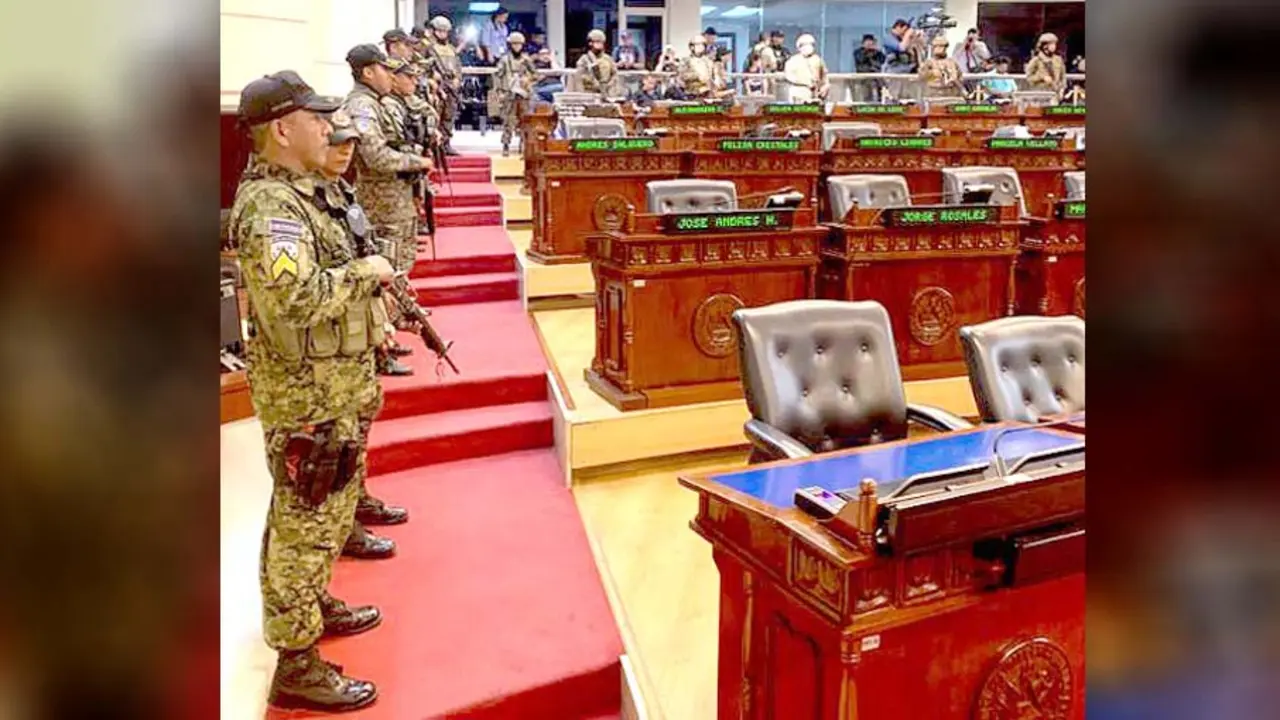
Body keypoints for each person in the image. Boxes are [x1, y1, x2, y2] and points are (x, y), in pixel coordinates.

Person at [228, 70, 391, 712]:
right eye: (316, 118)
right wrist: (364, 272)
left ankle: (312, 602)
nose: (328, 127)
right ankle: (296, 661)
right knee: (304, 519)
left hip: (332, 386)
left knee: (315, 517)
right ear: (281, 129)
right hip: (307, 396)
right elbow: (294, 300)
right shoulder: (271, 210)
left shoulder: (303, 192)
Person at [341, 45, 433, 398]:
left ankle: (387, 338)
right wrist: (415, 162)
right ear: (367, 72)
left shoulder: (377, 103)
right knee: (384, 277)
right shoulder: (362, 105)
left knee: (397, 272)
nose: (390, 76)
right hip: (381, 203)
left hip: (395, 200)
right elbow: (375, 156)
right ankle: (380, 349)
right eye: (383, 69)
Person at [422, 15, 463, 155]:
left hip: (451, 87)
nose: (442, 34)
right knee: (435, 116)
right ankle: (433, 145)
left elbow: (458, 66)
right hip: (436, 88)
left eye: (445, 31)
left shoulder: (451, 49)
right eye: (439, 31)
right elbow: (422, 67)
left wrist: (458, 79)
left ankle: (446, 143)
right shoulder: (429, 49)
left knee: (449, 116)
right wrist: (432, 76)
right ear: (433, 31)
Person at [495, 31, 537, 156]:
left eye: (519, 44)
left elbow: (535, 74)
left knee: (525, 120)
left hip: (523, 93)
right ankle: (506, 145)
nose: (517, 47)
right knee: (508, 120)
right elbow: (497, 76)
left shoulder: (526, 59)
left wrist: (528, 79)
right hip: (509, 93)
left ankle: (525, 145)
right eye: (514, 44)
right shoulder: (505, 59)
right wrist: (500, 91)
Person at [783, 33, 829, 102]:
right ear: (799, 47)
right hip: (798, 92)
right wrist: (805, 84)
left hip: (815, 94)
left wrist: (825, 86)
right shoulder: (793, 60)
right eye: (804, 45)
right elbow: (789, 76)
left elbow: (824, 76)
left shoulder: (818, 60)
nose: (808, 47)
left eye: (810, 44)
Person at [576, 28, 621, 97]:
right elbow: (580, 78)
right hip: (590, 94)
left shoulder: (608, 59)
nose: (600, 45)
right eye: (597, 42)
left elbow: (615, 74)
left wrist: (609, 85)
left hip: (607, 93)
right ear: (590, 43)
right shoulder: (584, 60)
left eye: (601, 42)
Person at [679, 34, 723, 100]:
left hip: (710, 92)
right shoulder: (686, 61)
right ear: (692, 47)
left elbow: (715, 75)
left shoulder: (708, 61)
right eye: (698, 44)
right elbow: (683, 76)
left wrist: (717, 78)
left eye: (703, 44)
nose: (701, 46)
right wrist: (698, 76)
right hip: (692, 93)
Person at [853, 34, 886, 102]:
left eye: (871, 42)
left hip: (876, 79)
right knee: (866, 97)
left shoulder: (877, 53)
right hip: (864, 78)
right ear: (863, 43)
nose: (869, 44)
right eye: (867, 42)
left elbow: (882, 60)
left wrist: (875, 50)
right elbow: (861, 59)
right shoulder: (858, 52)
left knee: (878, 97)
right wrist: (867, 51)